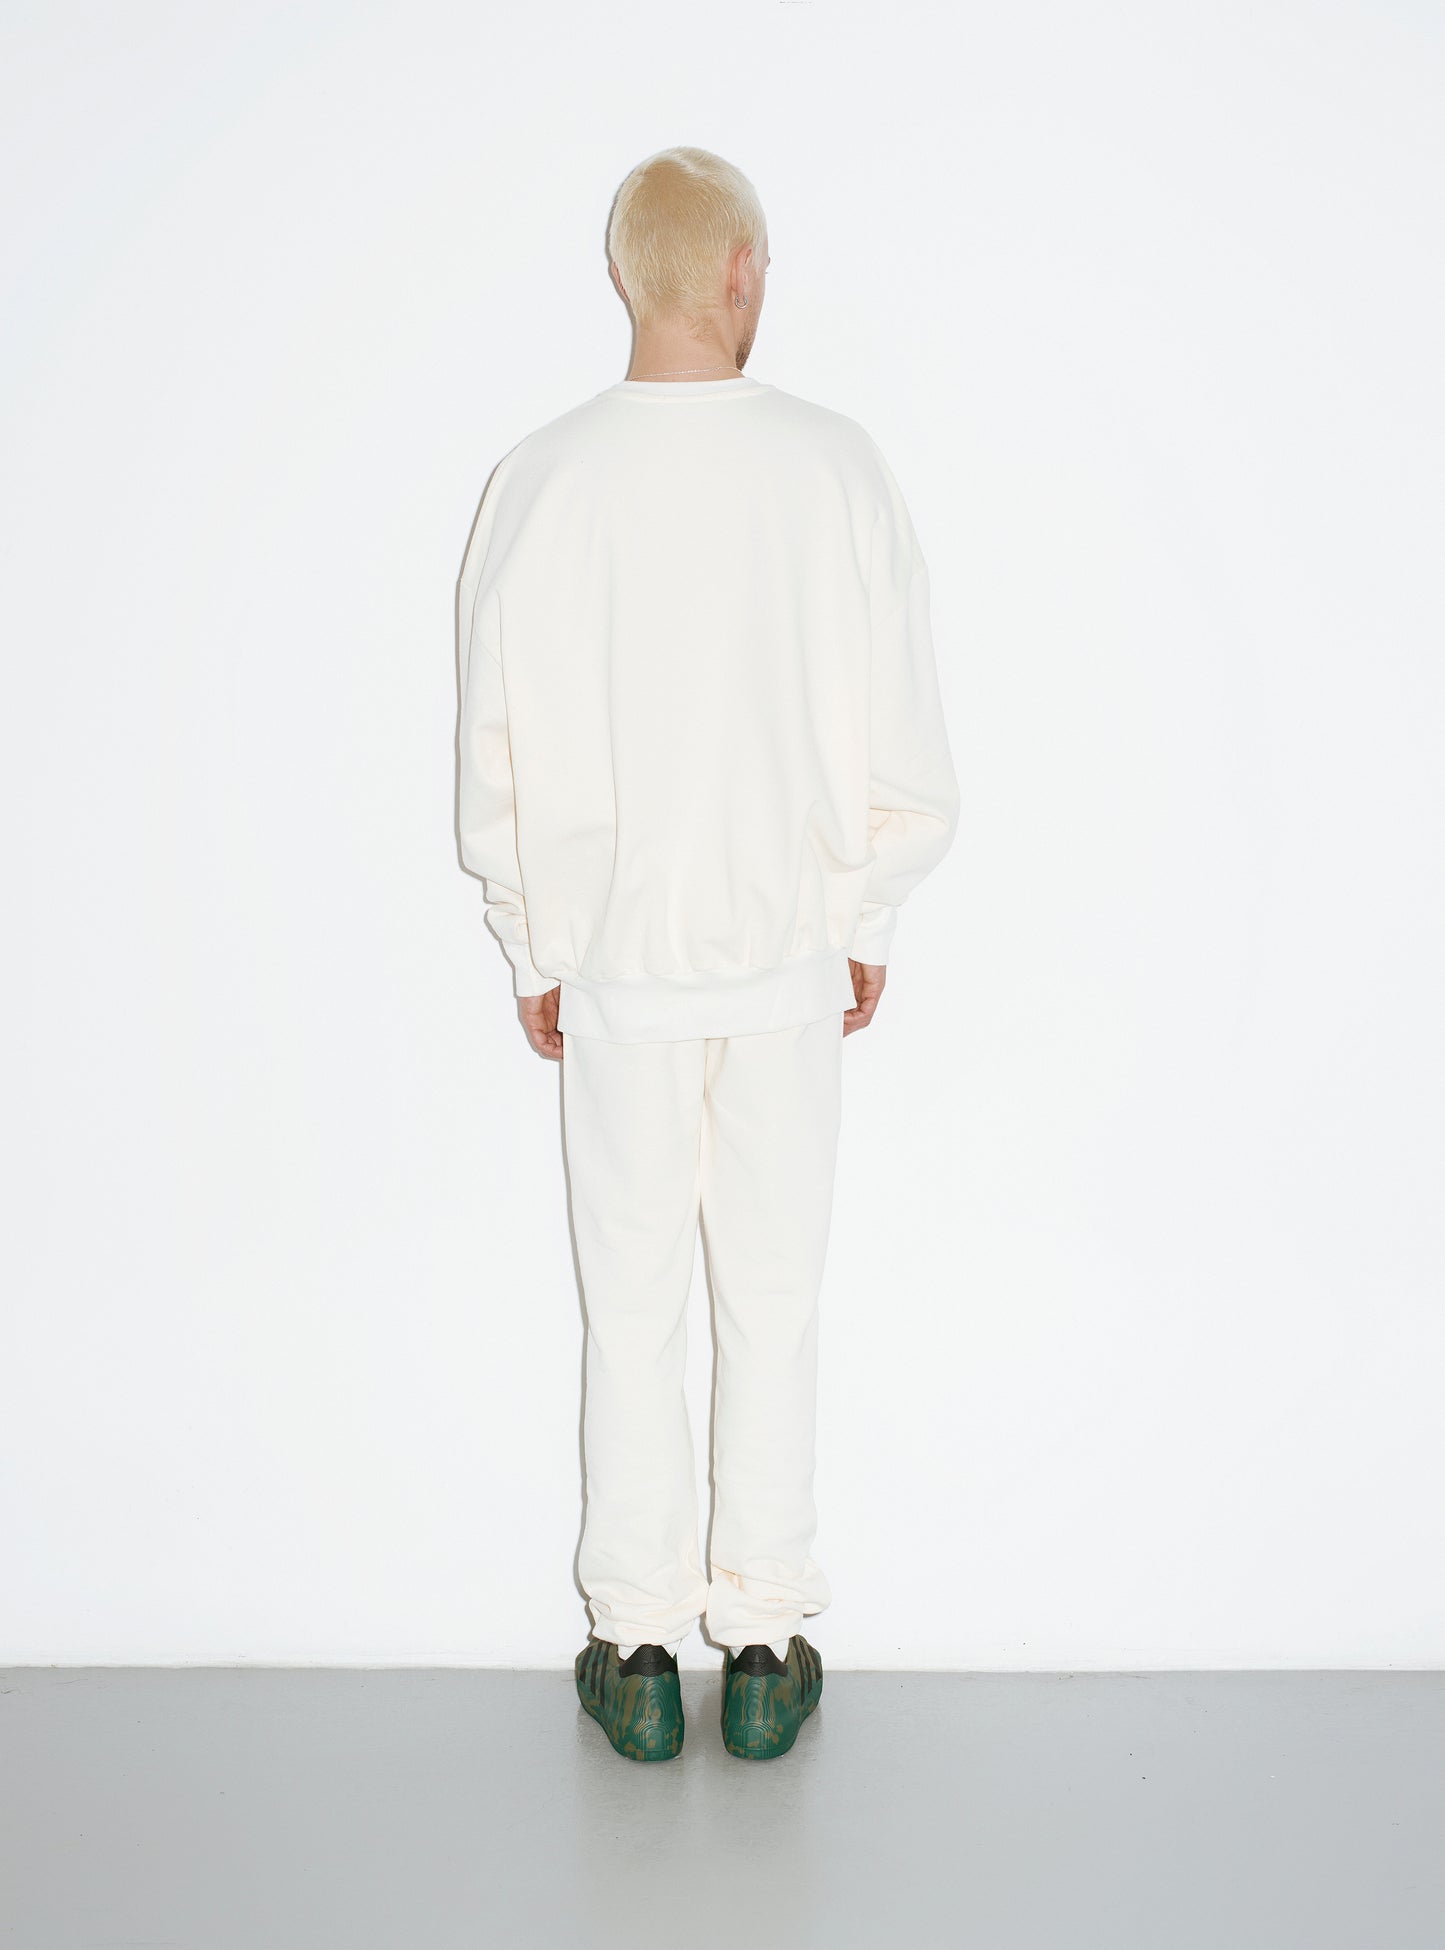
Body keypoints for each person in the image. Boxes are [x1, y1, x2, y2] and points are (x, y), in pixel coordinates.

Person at [455, 146, 959, 1762]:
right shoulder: (833, 468)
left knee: (629, 1307)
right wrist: (862, 917)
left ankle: (631, 1646)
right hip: (787, 968)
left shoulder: (541, 481)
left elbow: (494, 753)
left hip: (613, 973)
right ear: (738, 271)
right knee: (773, 1299)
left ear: (625, 274)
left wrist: (534, 940)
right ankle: (760, 1641)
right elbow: (903, 739)